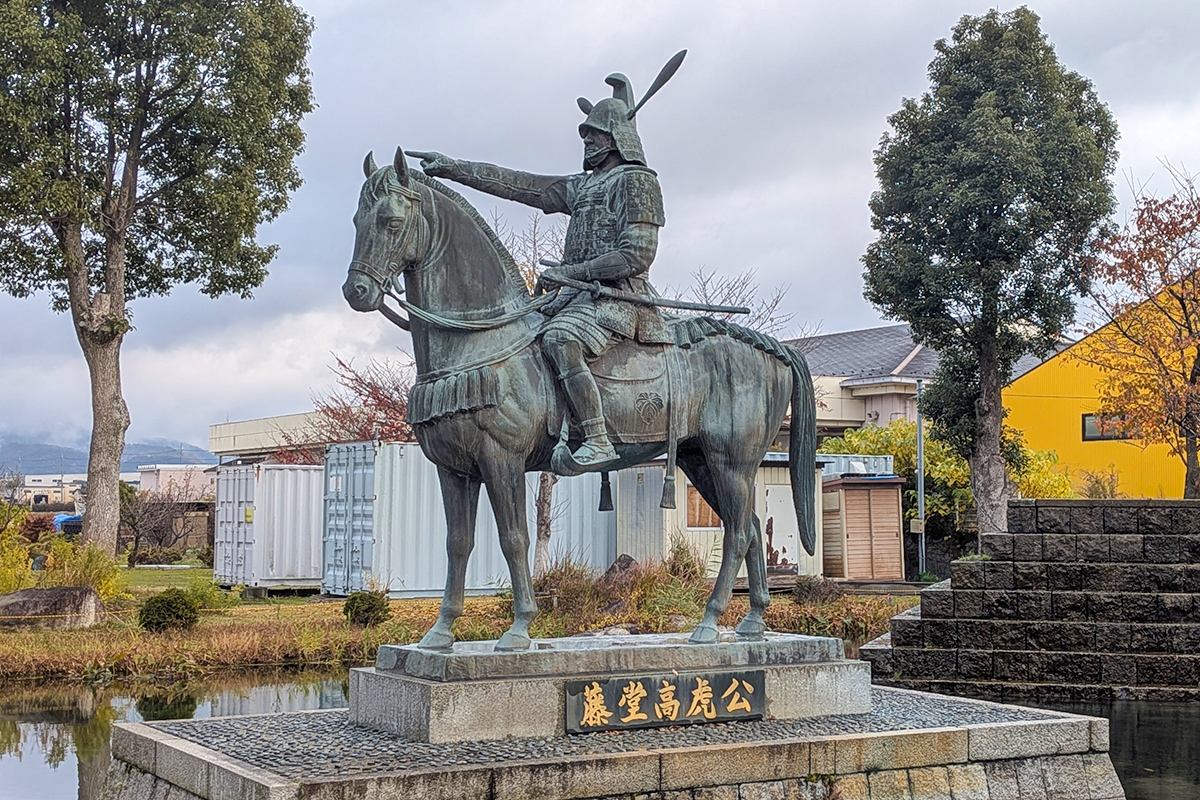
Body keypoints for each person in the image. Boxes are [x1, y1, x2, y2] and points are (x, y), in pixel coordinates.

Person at [410, 73, 671, 468]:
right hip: (575, 297)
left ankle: (597, 436)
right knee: (516, 334)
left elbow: (637, 255)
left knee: (560, 339)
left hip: (620, 299)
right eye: (586, 134)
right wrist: (453, 168)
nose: (586, 141)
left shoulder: (637, 182)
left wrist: (575, 272)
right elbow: (521, 185)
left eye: (595, 134)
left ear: (618, 136)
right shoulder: (583, 186)